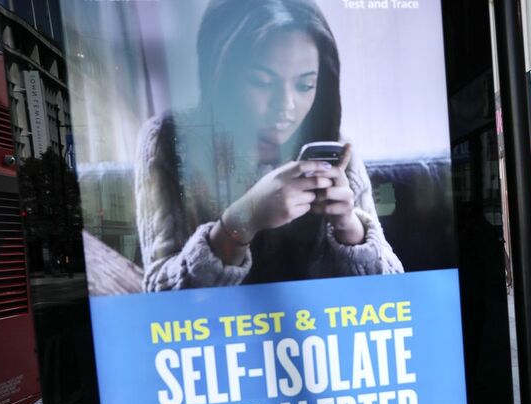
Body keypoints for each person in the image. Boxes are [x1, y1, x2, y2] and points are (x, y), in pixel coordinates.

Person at [135, 0, 402, 292]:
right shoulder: (169, 139)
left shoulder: (334, 148)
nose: (285, 106)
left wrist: (349, 227)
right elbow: (161, 294)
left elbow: (394, 290)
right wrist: (242, 220)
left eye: (305, 86)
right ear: (222, 76)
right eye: (262, 82)